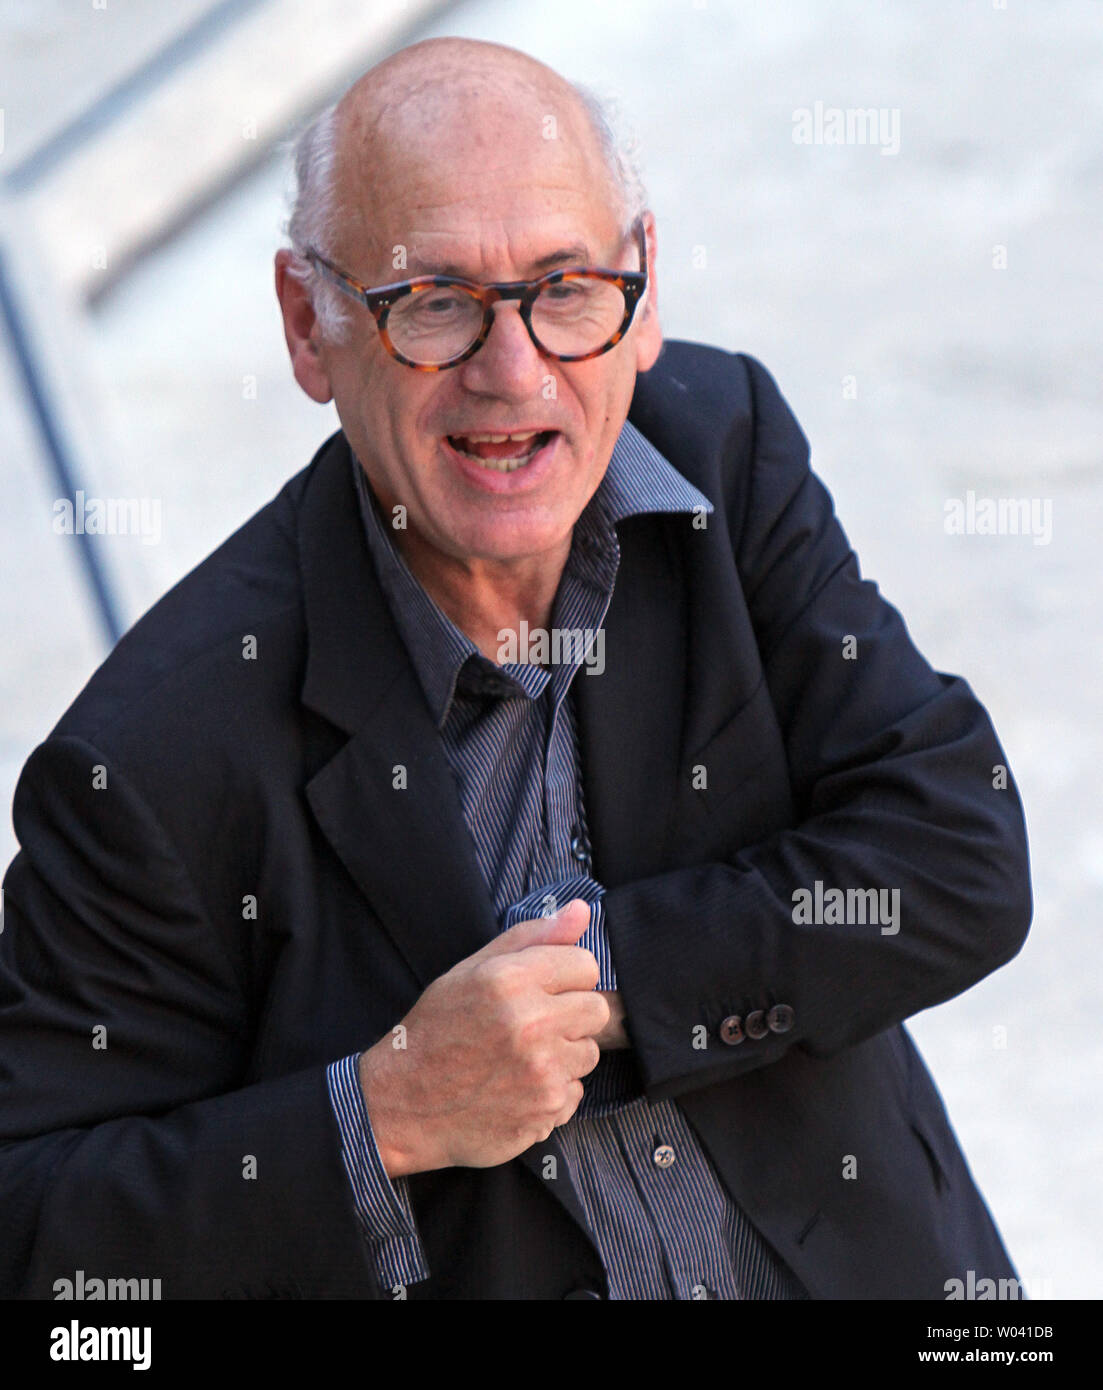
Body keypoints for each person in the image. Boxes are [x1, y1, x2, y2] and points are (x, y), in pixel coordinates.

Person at [0, 37, 1031, 1300]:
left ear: (642, 295)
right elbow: (36, 1233)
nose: (514, 371)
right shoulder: (154, 751)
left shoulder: (726, 451)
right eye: (432, 300)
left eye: (565, 287)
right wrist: (381, 1117)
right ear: (307, 323)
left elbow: (955, 852)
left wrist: (616, 985)